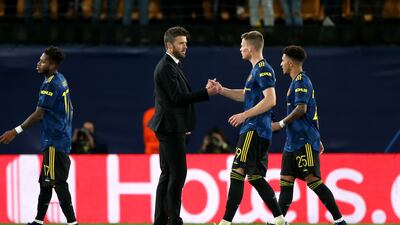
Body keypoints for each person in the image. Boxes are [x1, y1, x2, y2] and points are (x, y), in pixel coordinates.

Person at [147, 26, 221, 225]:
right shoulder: (166, 67)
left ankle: (162, 220)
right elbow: (177, 98)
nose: (185, 46)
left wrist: (184, 122)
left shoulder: (172, 65)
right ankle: (173, 219)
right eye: (181, 43)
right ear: (169, 46)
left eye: (186, 43)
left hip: (171, 126)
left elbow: (168, 100)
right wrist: (206, 92)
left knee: (168, 174)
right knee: (178, 174)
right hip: (170, 129)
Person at [213, 30, 287, 225]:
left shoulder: (263, 69)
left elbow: (271, 100)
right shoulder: (256, 70)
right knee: (255, 177)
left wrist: (244, 115)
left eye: (242, 46)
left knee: (237, 172)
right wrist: (222, 90)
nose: (240, 49)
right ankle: (280, 219)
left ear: (251, 48)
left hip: (254, 129)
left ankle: (225, 222)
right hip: (260, 130)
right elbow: (245, 96)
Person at [0, 46, 78, 225]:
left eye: (42, 61)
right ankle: (38, 221)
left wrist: (15, 131)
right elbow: (71, 107)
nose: (38, 63)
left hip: (54, 141)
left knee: (58, 182)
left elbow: (39, 114)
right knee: (46, 181)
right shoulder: (61, 79)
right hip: (59, 138)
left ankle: (73, 223)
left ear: (51, 64)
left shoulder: (50, 85)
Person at [272, 45, 347, 225]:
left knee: (313, 181)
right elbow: (313, 112)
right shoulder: (295, 82)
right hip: (292, 142)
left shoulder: (301, 81)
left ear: (290, 63)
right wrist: (318, 136)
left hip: (303, 140)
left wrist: (281, 123)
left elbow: (302, 109)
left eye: (283, 60)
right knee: (286, 183)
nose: (281, 64)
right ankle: (279, 223)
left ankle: (340, 221)